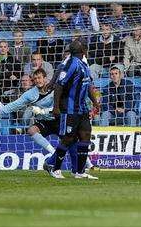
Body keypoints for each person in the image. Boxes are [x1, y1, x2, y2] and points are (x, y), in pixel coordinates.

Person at [0, 68, 95, 172]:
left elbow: (62, 106)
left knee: (72, 141)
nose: (38, 80)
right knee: (31, 130)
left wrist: (43, 111)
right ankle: (53, 153)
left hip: (59, 119)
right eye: (35, 79)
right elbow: (14, 105)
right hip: (45, 122)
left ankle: (88, 165)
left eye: (39, 78)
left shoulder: (56, 88)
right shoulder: (31, 94)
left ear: (45, 78)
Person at [46, 40, 100, 179]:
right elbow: (59, 85)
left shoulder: (84, 64)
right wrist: (56, 107)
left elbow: (87, 85)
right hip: (69, 108)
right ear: (83, 51)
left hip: (82, 108)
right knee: (68, 138)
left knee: (85, 135)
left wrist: (95, 102)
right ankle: (55, 168)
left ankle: (79, 172)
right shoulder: (71, 64)